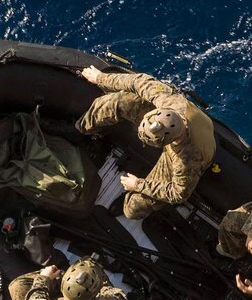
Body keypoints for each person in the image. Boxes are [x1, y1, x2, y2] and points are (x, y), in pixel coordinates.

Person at [76, 65, 215, 220]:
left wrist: (138, 185)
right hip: (181, 131)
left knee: (133, 209)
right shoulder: (170, 102)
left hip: (186, 150)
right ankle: (81, 129)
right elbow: (138, 81)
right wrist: (100, 78)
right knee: (120, 101)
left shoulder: (187, 159)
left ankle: (131, 197)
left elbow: (179, 193)